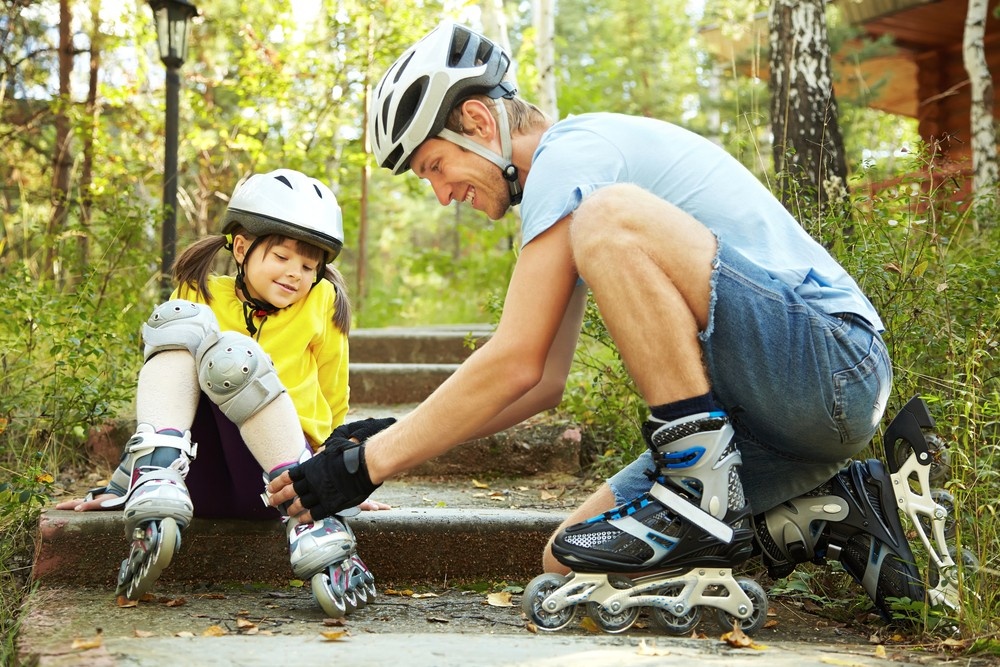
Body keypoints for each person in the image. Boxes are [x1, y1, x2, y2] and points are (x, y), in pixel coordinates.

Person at [267, 22, 929, 628]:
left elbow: (514, 357)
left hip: (833, 363)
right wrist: (393, 435)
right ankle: (835, 513)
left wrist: (365, 467)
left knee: (608, 218)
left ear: (476, 120)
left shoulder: (573, 156)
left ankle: (696, 484)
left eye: (436, 167)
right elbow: (538, 382)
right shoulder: (565, 190)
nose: (442, 195)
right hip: (769, 423)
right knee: (569, 560)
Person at [57, 168, 392, 618]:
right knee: (182, 323)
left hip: (284, 485)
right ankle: (153, 478)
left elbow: (334, 393)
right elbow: (168, 386)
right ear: (241, 246)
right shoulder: (199, 295)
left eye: (309, 266)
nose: (296, 274)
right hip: (197, 478)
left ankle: (315, 527)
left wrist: (338, 476)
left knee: (238, 357)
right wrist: (123, 478)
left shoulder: (321, 302)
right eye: (281, 257)